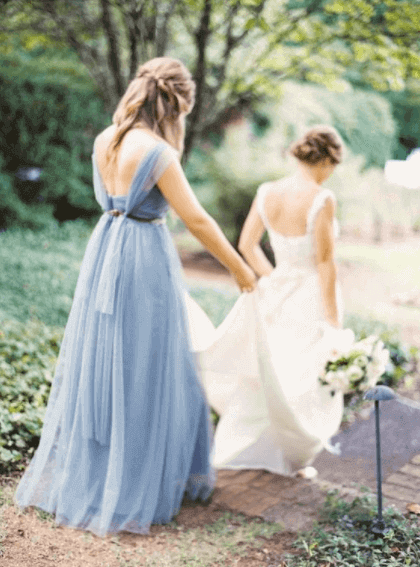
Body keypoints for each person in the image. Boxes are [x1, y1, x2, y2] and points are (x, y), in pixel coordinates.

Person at [14, 56, 256, 537]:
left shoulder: (107, 139)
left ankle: (104, 471)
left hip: (105, 250)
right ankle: (137, 480)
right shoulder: (158, 152)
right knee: (148, 362)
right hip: (144, 256)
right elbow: (198, 219)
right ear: (177, 102)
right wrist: (240, 268)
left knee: (106, 362)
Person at [187, 125, 354, 478]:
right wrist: (334, 321)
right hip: (309, 295)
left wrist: (273, 278)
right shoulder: (322, 198)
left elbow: (247, 245)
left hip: (276, 291)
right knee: (301, 376)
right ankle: (292, 456)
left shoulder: (268, 192)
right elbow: (325, 263)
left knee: (270, 372)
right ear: (327, 160)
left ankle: (256, 447)